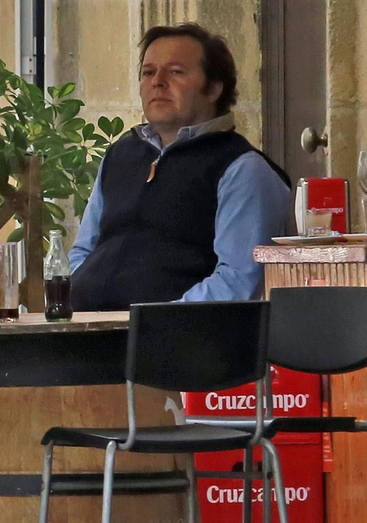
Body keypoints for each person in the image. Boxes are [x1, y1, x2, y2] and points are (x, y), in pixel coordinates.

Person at [69, 22, 292, 309]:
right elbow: (82, 252)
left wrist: (156, 320)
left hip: (175, 333)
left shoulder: (241, 168)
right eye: (148, 72)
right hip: (84, 327)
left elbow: (237, 282)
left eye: (175, 72)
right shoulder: (120, 156)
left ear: (213, 89)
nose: (157, 82)